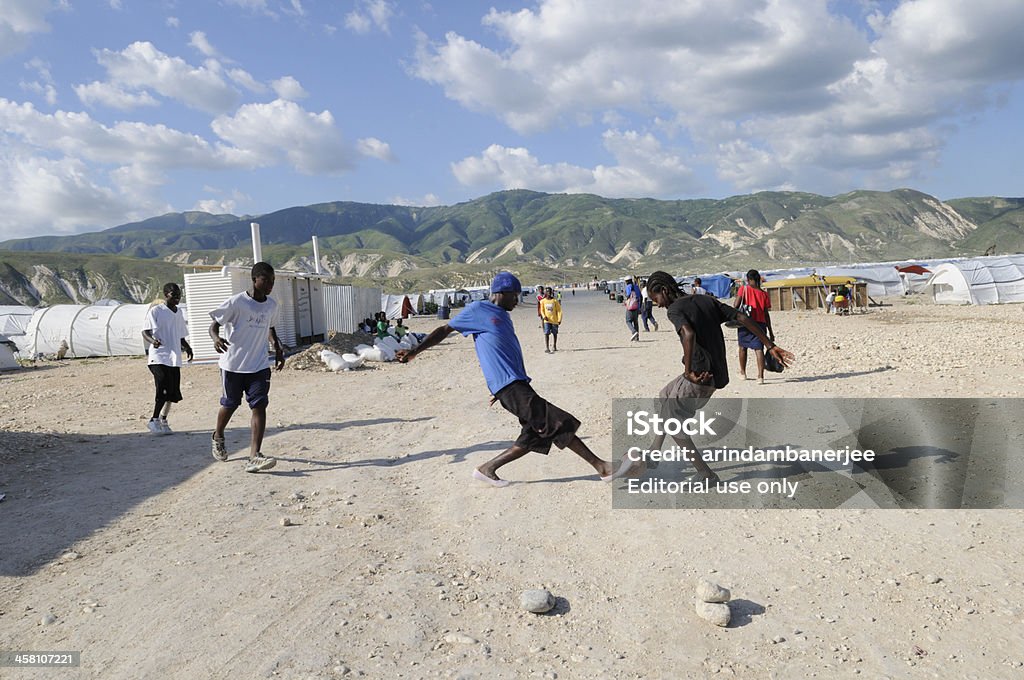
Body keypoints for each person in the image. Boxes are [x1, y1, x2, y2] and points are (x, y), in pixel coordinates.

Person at [395, 272, 615, 487]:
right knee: (556, 421)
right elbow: (445, 329)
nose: (517, 300)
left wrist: (499, 388)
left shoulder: (503, 316)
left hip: (514, 384)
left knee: (533, 435)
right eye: (515, 295)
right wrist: (416, 351)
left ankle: (487, 469)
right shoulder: (478, 309)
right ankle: (602, 467)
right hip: (510, 387)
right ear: (501, 293)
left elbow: (500, 352)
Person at [638, 271, 795, 483]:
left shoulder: (675, 309)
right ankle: (654, 451)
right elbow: (742, 317)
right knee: (664, 395)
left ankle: (705, 473)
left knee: (674, 420)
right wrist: (770, 345)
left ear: (664, 290)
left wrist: (688, 370)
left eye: (655, 298)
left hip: (699, 375)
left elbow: (688, 333)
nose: (657, 304)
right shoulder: (706, 300)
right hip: (716, 372)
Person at [208, 262, 285, 473]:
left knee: (259, 406)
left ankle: (254, 456)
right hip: (232, 364)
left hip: (259, 364)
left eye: (273, 280)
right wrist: (216, 338)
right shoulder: (237, 302)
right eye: (266, 280)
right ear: (254, 279)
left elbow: (270, 327)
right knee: (230, 404)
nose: (270, 284)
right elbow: (214, 323)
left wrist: (277, 348)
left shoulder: (271, 305)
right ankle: (218, 435)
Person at [141, 283, 193, 435]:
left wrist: (187, 347)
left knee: (172, 392)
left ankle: (163, 419)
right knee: (162, 388)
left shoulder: (178, 312)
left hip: (174, 358)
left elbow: (181, 335)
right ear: (166, 295)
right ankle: (153, 421)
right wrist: (153, 341)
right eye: (173, 294)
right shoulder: (156, 311)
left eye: (179, 294)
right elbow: (145, 331)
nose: (177, 297)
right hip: (158, 357)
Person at [734, 269, 774, 384]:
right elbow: (766, 314)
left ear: (749, 279)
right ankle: (760, 377)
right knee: (759, 349)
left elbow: (736, 304)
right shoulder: (764, 294)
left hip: (746, 322)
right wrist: (771, 331)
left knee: (742, 347)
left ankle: (743, 373)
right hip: (760, 324)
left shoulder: (744, 289)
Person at [540, 286, 562, 353]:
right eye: (547, 291)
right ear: (545, 292)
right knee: (546, 333)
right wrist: (544, 316)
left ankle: (554, 345)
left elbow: (559, 311)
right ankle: (547, 347)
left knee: (554, 333)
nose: (548, 293)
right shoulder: (543, 301)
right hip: (547, 320)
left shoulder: (555, 301)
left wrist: (559, 319)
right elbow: (542, 310)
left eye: (549, 291)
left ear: (552, 292)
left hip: (554, 320)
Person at [623, 276, 642, 342]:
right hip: (637, 307)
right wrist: (640, 307)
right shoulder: (636, 286)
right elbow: (640, 296)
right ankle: (637, 338)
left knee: (628, 321)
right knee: (636, 322)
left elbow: (628, 295)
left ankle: (634, 332)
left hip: (630, 307)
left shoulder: (629, 287)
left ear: (626, 281)